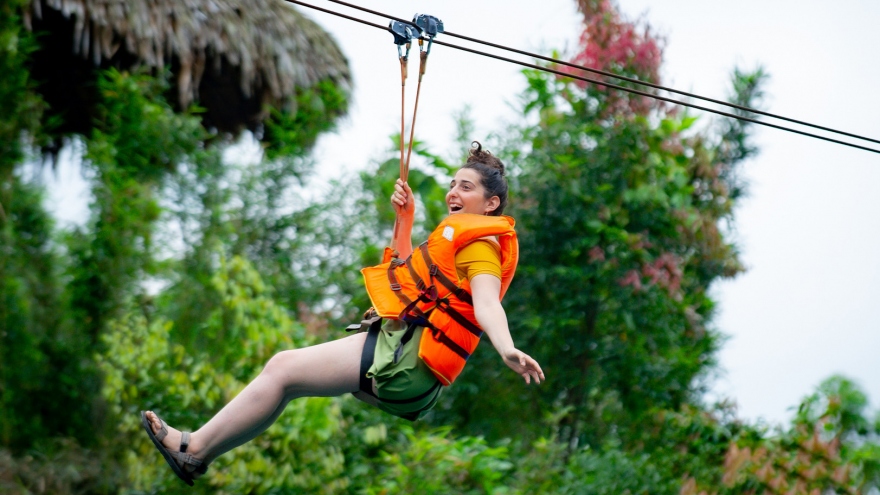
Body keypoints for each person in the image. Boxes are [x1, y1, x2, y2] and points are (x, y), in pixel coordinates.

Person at [142, 142, 545, 486]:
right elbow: (404, 274)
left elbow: (487, 302)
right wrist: (403, 221)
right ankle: (197, 455)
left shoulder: (481, 245)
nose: (453, 193)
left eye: (466, 187)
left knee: (282, 368)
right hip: (407, 362)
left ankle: (193, 447)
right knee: (287, 382)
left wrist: (506, 348)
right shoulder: (455, 241)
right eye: (453, 184)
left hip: (405, 361)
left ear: (491, 203)